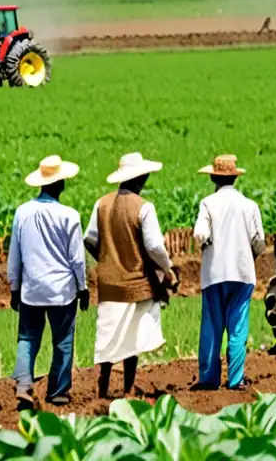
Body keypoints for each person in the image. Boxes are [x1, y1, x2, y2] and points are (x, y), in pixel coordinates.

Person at [84, 152, 178, 399]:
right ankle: (127, 389)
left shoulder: (100, 203)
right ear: (141, 178)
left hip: (108, 282)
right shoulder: (144, 208)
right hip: (136, 282)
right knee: (132, 336)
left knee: (109, 334)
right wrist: (167, 269)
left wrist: (106, 258)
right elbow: (155, 247)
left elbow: (90, 239)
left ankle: (103, 387)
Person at [7, 154, 89, 408]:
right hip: (62, 290)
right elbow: (77, 258)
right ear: (61, 183)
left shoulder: (23, 212)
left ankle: (23, 384)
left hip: (31, 288)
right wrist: (83, 287)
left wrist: (14, 286)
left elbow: (15, 255)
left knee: (27, 337)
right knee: (63, 340)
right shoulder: (70, 216)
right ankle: (59, 392)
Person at [192, 154, 265, 391]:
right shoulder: (250, 205)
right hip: (243, 274)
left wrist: (207, 245)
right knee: (238, 326)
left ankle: (208, 378)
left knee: (212, 326)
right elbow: (259, 241)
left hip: (214, 274)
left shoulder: (208, 204)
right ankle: (235, 379)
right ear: (235, 178)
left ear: (213, 177)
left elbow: (200, 234)